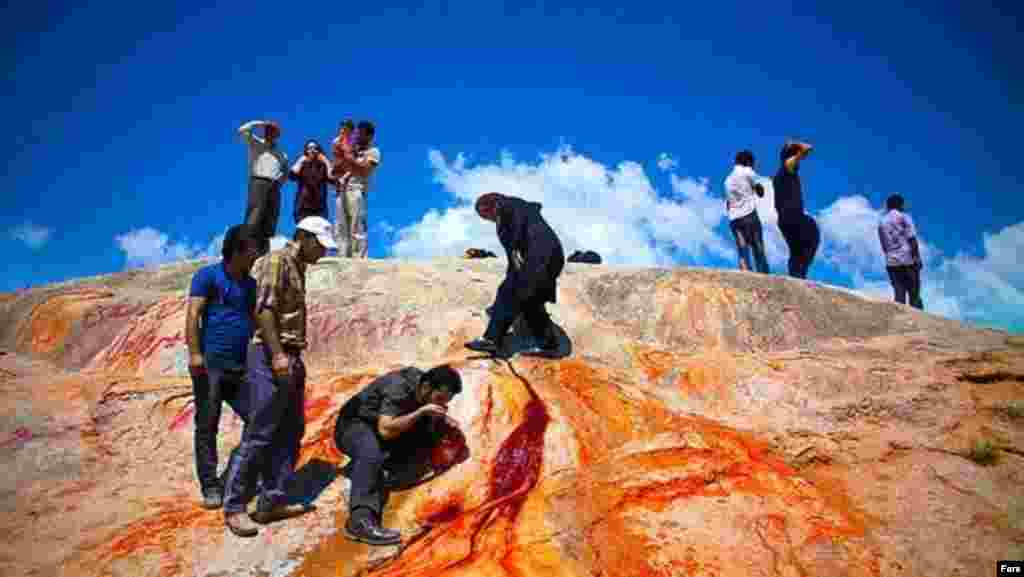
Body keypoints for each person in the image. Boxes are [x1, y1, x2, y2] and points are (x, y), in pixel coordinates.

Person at [220, 216, 337, 537]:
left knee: (290, 429)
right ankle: (234, 507)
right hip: (270, 353)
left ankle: (271, 502)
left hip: (290, 353)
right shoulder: (275, 261)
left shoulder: (297, 266)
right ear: (303, 237)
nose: (323, 253)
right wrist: (277, 355)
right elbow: (263, 309)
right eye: (321, 245)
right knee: (261, 430)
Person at [334, 365, 467, 546]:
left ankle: (379, 470)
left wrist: (441, 422)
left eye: (445, 401)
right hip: (353, 427)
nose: (441, 404)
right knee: (373, 452)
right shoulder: (398, 387)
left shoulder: (424, 389)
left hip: (383, 427)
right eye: (439, 399)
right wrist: (422, 412)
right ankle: (359, 520)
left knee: (427, 437)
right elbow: (385, 430)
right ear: (426, 387)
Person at [185, 224, 259, 510]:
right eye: (252, 251)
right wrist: (194, 353)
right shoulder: (208, 276)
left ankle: (240, 473)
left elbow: (253, 320)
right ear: (237, 250)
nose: (255, 257)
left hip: (240, 366)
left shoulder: (250, 285)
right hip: (211, 365)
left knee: (258, 417)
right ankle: (210, 486)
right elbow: (194, 313)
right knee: (207, 426)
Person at [465, 192, 565, 357]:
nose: (486, 219)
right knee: (530, 299)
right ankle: (548, 344)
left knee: (508, 292)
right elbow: (513, 255)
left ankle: (492, 339)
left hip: (539, 255)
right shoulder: (516, 210)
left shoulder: (507, 206)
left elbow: (515, 244)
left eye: (484, 215)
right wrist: (512, 273)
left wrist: (514, 270)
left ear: (490, 206)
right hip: (550, 256)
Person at [239, 120, 289, 256]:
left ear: (277, 135)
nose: (269, 132)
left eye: (273, 131)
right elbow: (243, 130)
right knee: (255, 215)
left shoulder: (282, 154)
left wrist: (280, 182)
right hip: (258, 182)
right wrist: (259, 123)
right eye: (267, 130)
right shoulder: (256, 143)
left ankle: (263, 251)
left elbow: (286, 170)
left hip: (274, 186)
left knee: (271, 217)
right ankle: (245, 248)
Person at [772, 139, 820, 279]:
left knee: (796, 251)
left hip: (784, 219)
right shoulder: (787, 167)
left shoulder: (781, 174)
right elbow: (808, 148)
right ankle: (799, 274)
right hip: (792, 216)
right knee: (812, 232)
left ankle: (796, 276)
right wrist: (795, 144)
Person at [333, 120, 381, 258]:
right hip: (341, 189)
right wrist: (341, 154)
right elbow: (335, 172)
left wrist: (348, 157)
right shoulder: (350, 150)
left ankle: (358, 258)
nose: (357, 136)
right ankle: (341, 257)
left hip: (357, 189)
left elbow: (364, 170)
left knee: (357, 225)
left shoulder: (373, 152)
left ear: (369, 136)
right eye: (357, 133)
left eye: (361, 133)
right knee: (340, 226)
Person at [724, 150, 770, 273]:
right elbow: (760, 192)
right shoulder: (748, 171)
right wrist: (760, 186)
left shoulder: (727, 180)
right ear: (748, 162)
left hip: (734, 219)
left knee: (742, 250)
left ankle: (745, 275)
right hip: (749, 216)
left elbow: (728, 203)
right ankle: (765, 278)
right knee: (758, 248)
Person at [878, 194, 924, 309]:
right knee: (914, 294)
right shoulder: (904, 217)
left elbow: (884, 247)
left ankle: (901, 321)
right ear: (900, 205)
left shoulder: (882, 222)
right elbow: (912, 239)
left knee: (899, 295)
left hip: (892, 262)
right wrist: (917, 258)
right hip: (908, 260)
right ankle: (917, 322)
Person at [290, 139, 332, 223]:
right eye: (309, 148)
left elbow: (332, 178)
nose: (312, 150)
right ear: (306, 151)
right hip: (303, 205)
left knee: (320, 233)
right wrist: (300, 161)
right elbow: (292, 176)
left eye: (315, 148)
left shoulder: (322, 166)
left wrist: (326, 162)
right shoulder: (302, 165)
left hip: (320, 207)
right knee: (303, 231)